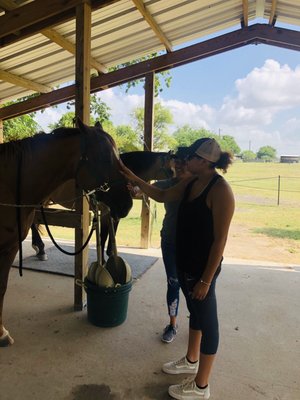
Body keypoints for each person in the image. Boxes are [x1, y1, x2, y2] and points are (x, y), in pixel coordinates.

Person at [121, 138, 235, 400]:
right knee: (194, 312)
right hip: (185, 262)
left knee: (207, 321)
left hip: (202, 268)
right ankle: (191, 359)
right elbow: (161, 195)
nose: (186, 161)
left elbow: (220, 240)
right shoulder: (191, 182)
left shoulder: (221, 191)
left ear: (204, 162)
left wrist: (206, 281)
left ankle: (201, 386)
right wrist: (131, 176)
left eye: (192, 158)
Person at [153, 148, 192, 343]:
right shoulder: (166, 184)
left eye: (184, 161)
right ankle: (173, 324)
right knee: (173, 282)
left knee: (191, 285)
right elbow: (151, 188)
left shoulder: (196, 185)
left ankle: (197, 321)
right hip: (169, 241)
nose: (179, 164)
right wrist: (135, 188)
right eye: (176, 160)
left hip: (192, 244)